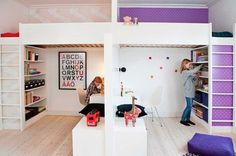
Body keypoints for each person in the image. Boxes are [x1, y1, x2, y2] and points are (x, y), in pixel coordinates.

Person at [180, 59, 202, 126]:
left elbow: (194, 83)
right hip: (188, 92)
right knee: (188, 106)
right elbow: (194, 70)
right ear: (185, 64)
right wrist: (201, 65)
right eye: (189, 64)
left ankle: (187, 119)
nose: (190, 65)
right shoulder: (184, 72)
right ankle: (183, 120)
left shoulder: (189, 72)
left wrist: (196, 77)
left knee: (190, 106)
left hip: (192, 91)